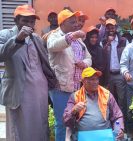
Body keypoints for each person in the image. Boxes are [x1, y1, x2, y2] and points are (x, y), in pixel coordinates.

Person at [0, 4, 57, 141]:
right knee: (19, 129)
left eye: (32, 21)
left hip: (40, 91)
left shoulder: (36, 38)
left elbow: (44, 61)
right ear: (16, 20)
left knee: (39, 124)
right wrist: (17, 39)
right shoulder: (6, 35)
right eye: (25, 20)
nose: (29, 24)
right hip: (19, 91)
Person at [47, 9, 92, 141]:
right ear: (62, 23)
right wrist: (71, 37)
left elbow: (89, 57)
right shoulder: (54, 36)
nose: (75, 24)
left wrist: (84, 63)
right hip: (60, 87)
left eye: (76, 22)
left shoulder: (79, 41)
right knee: (61, 122)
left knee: (75, 119)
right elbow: (53, 46)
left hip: (77, 88)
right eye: (72, 22)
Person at [63, 67, 124, 140]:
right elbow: (66, 121)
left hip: (105, 136)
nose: (96, 82)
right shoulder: (75, 96)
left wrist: (120, 129)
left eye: (97, 79)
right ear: (83, 81)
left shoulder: (106, 94)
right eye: (92, 79)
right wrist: (73, 110)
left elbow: (117, 116)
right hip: (84, 137)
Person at [102, 18, 127, 119]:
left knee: (121, 100)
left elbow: (127, 57)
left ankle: (121, 122)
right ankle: (111, 121)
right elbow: (101, 56)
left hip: (120, 74)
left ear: (116, 27)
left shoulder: (123, 41)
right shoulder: (103, 41)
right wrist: (107, 43)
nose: (110, 29)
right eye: (108, 27)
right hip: (109, 75)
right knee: (110, 100)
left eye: (112, 27)